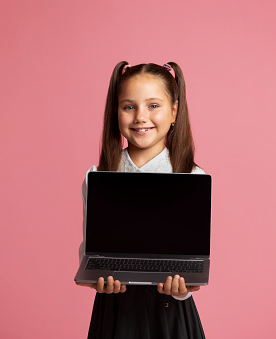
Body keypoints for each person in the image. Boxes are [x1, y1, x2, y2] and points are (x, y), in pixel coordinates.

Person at [76, 61, 206, 339]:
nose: (140, 117)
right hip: (115, 312)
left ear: (174, 111)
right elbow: (90, 249)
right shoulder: (99, 175)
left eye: (153, 106)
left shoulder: (191, 176)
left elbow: (193, 257)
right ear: (116, 112)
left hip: (172, 317)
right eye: (129, 106)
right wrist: (97, 280)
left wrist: (184, 289)